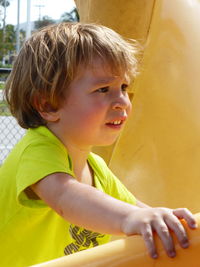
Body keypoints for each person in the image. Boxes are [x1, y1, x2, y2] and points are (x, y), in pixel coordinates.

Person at [0, 22, 197, 266]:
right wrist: (132, 218)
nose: (122, 101)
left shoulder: (96, 169)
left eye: (123, 87)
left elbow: (137, 210)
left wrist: (171, 223)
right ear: (48, 105)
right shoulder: (38, 150)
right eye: (103, 89)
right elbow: (65, 197)